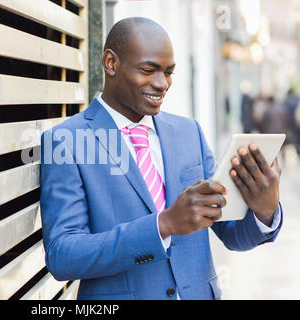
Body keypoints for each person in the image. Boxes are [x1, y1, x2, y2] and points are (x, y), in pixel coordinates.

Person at [39, 17, 283, 300]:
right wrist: (162, 225)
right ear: (110, 63)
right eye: (148, 70)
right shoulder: (67, 140)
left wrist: (263, 212)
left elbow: (230, 232)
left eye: (169, 72)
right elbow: (63, 255)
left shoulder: (188, 132)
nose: (162, 83)